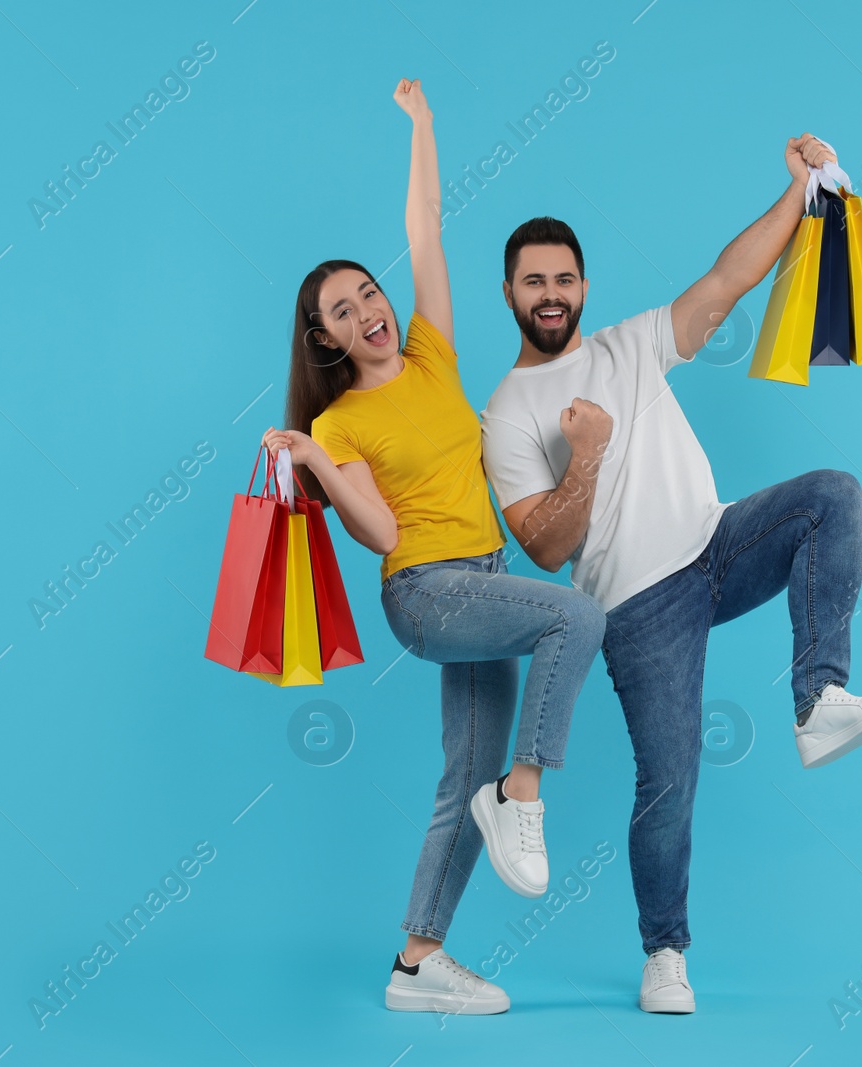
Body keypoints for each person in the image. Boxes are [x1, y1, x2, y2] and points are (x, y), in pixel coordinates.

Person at [479, 133, 862, 1014]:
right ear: (510, 293)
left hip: (718, 542)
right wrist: (588, 457)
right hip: (640, 606)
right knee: (671, 781)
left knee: (833, 495)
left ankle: (820, 703)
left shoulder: (628, 345)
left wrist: (797, 191)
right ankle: (665, 953)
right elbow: (543, 549)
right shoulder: (506, 410)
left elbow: (728, 281)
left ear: (584, 287)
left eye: (564, 278)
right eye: (534, 281)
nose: (552, 294)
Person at [261, 79, 606, 1017]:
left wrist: (422, 128)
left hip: (486, 581)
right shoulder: (336, 422)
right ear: (323, 337)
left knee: (463, 775)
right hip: (425, 592)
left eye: (367, 292)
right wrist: (314, 461)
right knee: (577, 613)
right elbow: (375, 532)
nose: (369, 309)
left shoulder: (429, 353)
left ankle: (417, 962)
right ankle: (523, 794)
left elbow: (426, 233)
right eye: (344, 309)